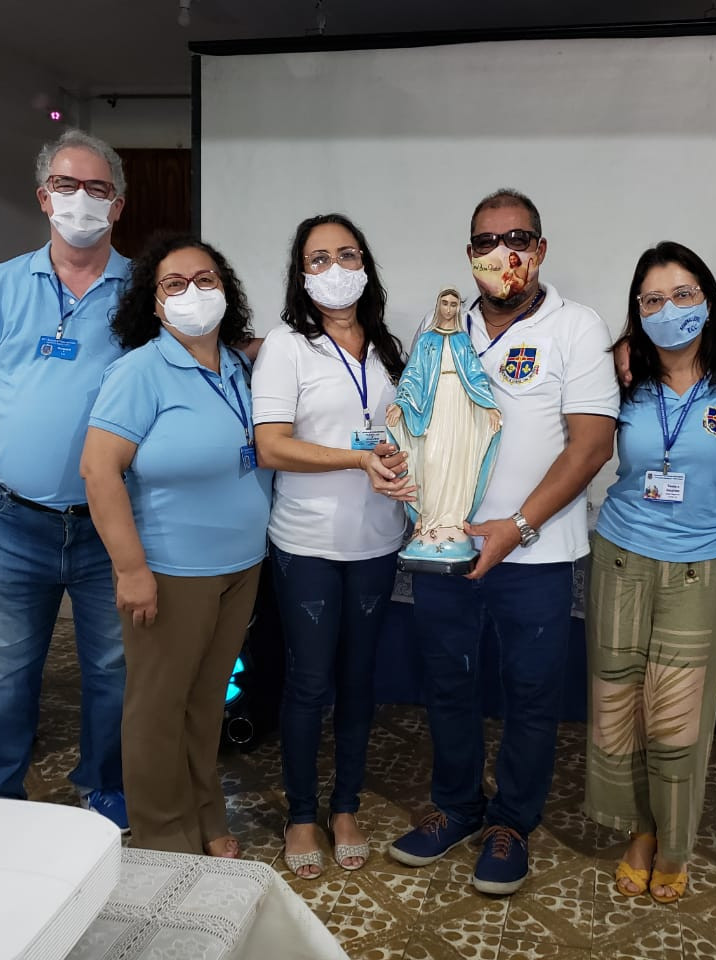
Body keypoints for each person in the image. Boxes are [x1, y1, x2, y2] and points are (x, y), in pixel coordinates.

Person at [388, 188, 619, 895]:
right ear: (469, 254)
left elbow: (590, 446)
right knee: (448, 683)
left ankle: (513, 822)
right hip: (445, 545)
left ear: (540, 249)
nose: (502, 254)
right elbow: (419, 415)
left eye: (517, 239)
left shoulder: (575, 326)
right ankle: (457, 806)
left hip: (536, 555)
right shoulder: (442, 324)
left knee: (530, 691)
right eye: (486, 242)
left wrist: (517, 527)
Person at [0, 130, 130, 828]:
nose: (82, 200)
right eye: (67, 186)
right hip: (11, 521)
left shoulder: (146, 292)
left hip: (112, 526)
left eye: (98, 189)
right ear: (44, 197)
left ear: (118, 205)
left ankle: (106, 790)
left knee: (116, 672)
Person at [80, 234, 271, 856]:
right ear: (155, 302)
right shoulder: (140, 371)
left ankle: (207, 816)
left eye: (206, 279)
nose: (193, 292)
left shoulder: (238, 368)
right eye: (175, 283)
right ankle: (165, 836)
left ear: (226, 290)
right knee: (158, 708)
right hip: (170, 571)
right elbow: (98, 471)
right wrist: (131, 569)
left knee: (206, 702)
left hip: (241, 566)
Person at [586, 242, 716, 905]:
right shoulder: (621, 374)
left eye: (683, 295)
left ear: (707, 299)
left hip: (698, 566)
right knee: (619, 703)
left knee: (677, 717)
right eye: (652, 300)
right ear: (637, 312)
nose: (669, 310)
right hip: (621, 556)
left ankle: (675, 843)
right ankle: (640, 831)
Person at [252, 213, 409, 878]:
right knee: (310, 682)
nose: (335, 269)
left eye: (348, 255)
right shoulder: (287, 346)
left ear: (366, 264)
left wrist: (402, 458)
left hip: (377, 541)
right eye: (319, 259)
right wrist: (357, 459)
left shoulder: (389, 348)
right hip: (308, 543)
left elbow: (404, 430)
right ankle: (300, 815)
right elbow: (271, 445)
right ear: (301, 274)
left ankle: (345, 807)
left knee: (359, 679)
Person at [388, 287, 502, 566]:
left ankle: (451, 522)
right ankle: (428, 520)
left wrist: (489, 405)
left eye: (454, 304)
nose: (449, 309)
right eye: (445, 303)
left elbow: (475, 374)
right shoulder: (426, 340)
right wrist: (401, 403)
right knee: (432, 460)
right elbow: (413, 374)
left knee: (457, 463)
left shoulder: (463, 341)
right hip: (433, 406)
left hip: (460, 406)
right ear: (438, 306)